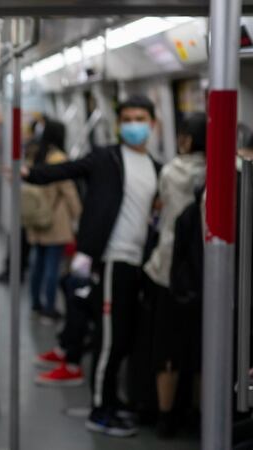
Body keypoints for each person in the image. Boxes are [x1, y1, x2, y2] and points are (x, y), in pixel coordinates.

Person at [25, 95, 161, 437]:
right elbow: (68, 170)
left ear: (153, 123)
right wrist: (29, 172)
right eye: (127, 118)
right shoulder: (107, 158)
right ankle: (100, 409)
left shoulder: (158, 168)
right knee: (110, 339)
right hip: (112, 258)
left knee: (126, 338)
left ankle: (115, 402)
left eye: (140, 118)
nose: (134, 124)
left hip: (138, 262)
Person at [142, 113, 206, 438]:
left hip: (169, 270)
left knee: (167, 347)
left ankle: (166, 417)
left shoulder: (170, 171)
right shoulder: (223, 172)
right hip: (207, 275)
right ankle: (198, 413)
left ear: (185, 139)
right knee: (202, 350)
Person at [26, 120, 82, 322]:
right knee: (52, 266)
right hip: (55, 219)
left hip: (37, 216)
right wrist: (79, 217)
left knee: (37, 263)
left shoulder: (34, 154)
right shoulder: (58, 158)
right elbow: (68, 191)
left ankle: (35, 302)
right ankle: (49, 307)